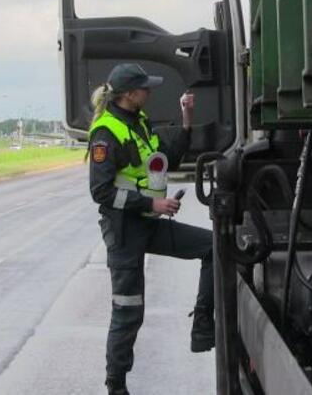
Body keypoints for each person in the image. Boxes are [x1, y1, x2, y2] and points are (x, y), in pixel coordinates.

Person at [88, 63, 215, 395]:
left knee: (214, 246)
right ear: (130, 94)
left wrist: (186, 119)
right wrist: (151, 205)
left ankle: (203, 324)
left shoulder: (139, 123)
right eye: (145, 88)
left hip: (147, 222)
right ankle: (116, 387)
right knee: (128, 312)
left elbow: (168, 159)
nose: (150, 91)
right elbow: (100, 192)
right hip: (125, 230)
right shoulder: (106, 131)